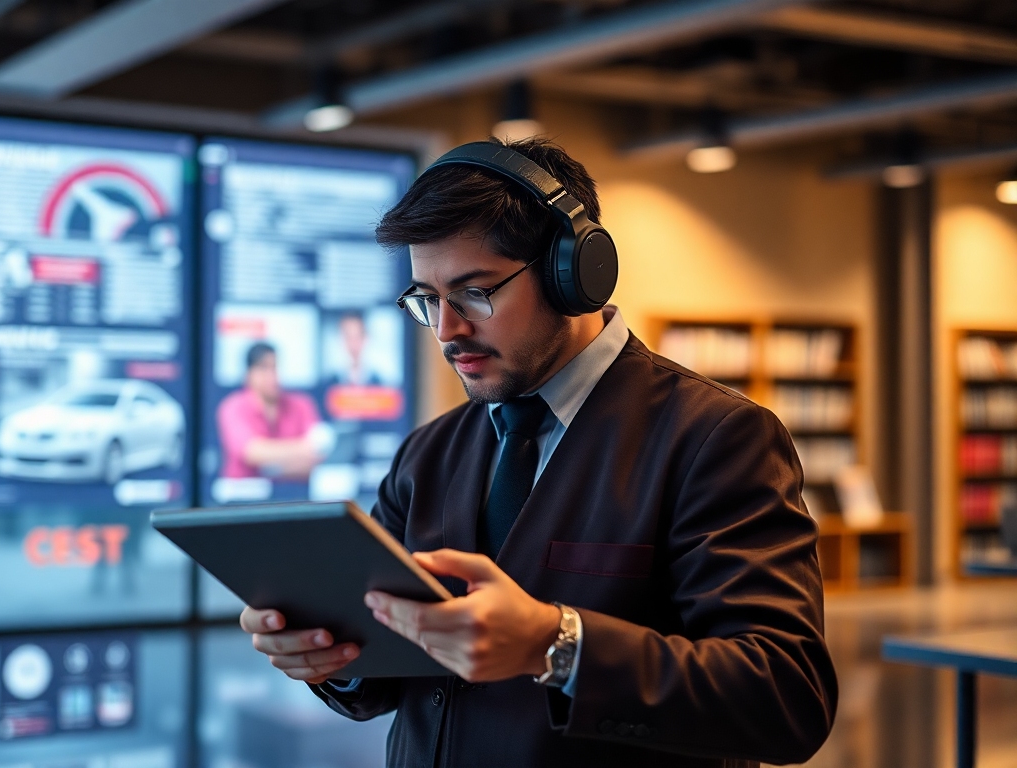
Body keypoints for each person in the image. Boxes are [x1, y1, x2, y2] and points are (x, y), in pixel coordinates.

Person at [238, 137, 837, 767]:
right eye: (428, 299)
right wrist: (329, 657)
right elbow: (389, 676)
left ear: (572, 273)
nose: (448, 330)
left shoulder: (714, 438)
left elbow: (786, 696)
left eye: (475, 292)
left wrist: (561, 644)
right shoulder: (428, 454)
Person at [217, 341, 325, 479]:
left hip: (294, 494)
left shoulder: (302, 404)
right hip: (244, 496)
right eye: (263, 368)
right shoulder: (232, 407)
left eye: (275, 367)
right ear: (248, 374)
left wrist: (271, 460)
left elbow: (318, 453)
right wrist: (302, 449)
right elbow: (251, 452)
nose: (272, 375)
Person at [328, 312, 383, 387]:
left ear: (366, 339)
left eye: (357, 337)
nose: (353, 344)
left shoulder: (379, 384)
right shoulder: (329, 385)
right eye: (348, 337)